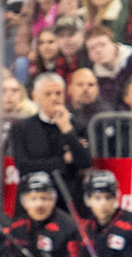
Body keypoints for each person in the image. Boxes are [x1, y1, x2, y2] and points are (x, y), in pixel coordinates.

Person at [8, 72, 96, 207]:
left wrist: (67, 130)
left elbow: (84, 162)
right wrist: (63, 161)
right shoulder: (21, 127)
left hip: (69, 197)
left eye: (58, 93)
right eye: (48, 94)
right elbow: (24, 165)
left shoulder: (78, 126)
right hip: (33, 196)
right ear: (35, 97)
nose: (55, 98)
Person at [6, 170, 88, 257]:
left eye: (44, 198)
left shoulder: (68, 227)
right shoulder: (17, 227)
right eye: (33, 198)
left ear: (53, 200)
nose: (39, 204)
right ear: (24, 202)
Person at [80, 170, 132, 257]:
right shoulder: (84, 228)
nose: (103, 204)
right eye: (97, 198)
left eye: (108, 197)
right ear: (88, 200)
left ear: (116, 198)